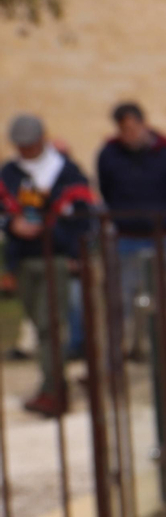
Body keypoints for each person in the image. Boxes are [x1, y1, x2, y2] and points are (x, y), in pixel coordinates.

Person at [95, 101, 166, 380]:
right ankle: (113, 367)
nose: (129, 134)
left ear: (143, 125)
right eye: (124, 129)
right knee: (118, 305)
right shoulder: (110, 155)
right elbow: (106, 190)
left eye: (133, 127)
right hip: (127, 240)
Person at [1, 115, 95, 417]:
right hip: (23, 258)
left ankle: (53, 390)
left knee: (49, 325)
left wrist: (62, 238)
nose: (26, 151)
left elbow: (82, 214)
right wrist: (12, 224)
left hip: (55, 256)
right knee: (39, 324)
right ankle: (53, 385)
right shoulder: (10, 173)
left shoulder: (65, 171)